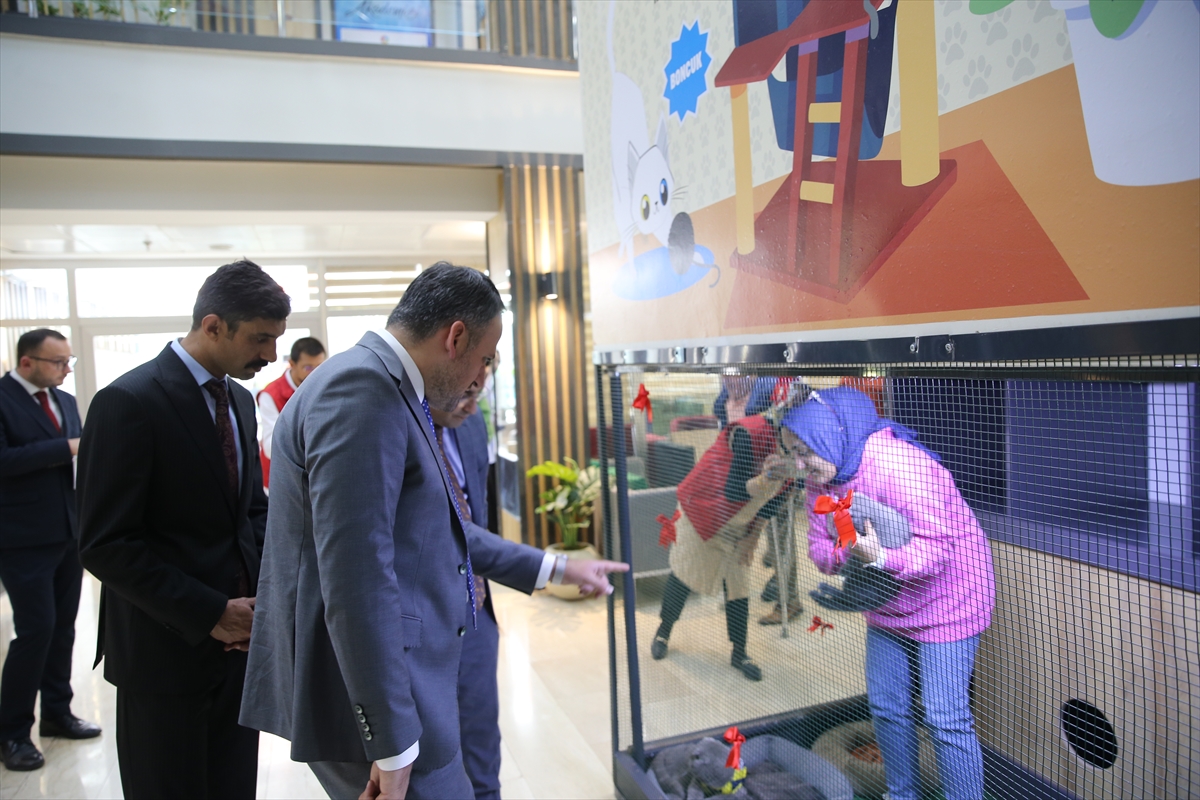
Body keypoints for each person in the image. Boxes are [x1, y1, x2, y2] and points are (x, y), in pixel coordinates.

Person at [239, 262, 628, 800]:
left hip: (392, 679)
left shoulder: (388, 385)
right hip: (367, 696)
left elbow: (434, 530)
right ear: (456, 337)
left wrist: (555, 566)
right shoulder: (362, 389)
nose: (481, 378)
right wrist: (393, 742)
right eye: (485, 357)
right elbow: (356, 579)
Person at [76, 261, 289, 799]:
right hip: (163, 654)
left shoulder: (238, 400)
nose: (271, 355)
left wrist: (267, 597)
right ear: (213, 326)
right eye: (260, 338)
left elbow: (250, 513)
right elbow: (105, 544)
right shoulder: (129, 401)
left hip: (239, 653)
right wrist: (211, 612)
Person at [781, 387, 995, 800]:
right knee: (885, 704)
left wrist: (880, 556)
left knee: (945, 716)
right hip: (887, 601)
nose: (799, 464)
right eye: (793, 453)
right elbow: (819, 547)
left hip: (950, 598)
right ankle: (901, 794)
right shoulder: (821, 480)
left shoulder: (898, 464)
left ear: (832, 436)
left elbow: (937, 550)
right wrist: (847, 552)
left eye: (805, 452)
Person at [0, 329, 100, 772]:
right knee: (35, 631)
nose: (65, 370)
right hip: (21, 537)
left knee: (62, 629)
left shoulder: (64, 400)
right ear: (27, 363)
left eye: (68, 362)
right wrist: (65, 448)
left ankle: (58, 713)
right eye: (58, 362)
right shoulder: (4, 398)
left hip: (67, 532)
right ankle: (12, 732)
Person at [650, 406, 799, 681]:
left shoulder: (801, 454)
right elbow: (733, 490)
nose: (801, 441)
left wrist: (753, 536)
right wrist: (767, 477)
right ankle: (663, 631)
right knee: (685, 575)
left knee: (738, 586)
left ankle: (739, 652)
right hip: (703, 512)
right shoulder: (749, 434)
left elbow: (776, 500)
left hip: (740, 525)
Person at [427, 389, 501, 799]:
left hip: (477, 609)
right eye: (467, 390)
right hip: (422, 625)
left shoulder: (472, 424)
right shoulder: (395, 424)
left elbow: (477, 518)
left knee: (482, 743)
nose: (473, 403)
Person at [257, 336, 326, 493]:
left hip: (313, 478)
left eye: (320, 366)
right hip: (280, 481)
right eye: (308, 368)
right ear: (292, 364)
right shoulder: (271, 394)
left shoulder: (324, 387)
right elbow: (271, 447)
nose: (315, 373)